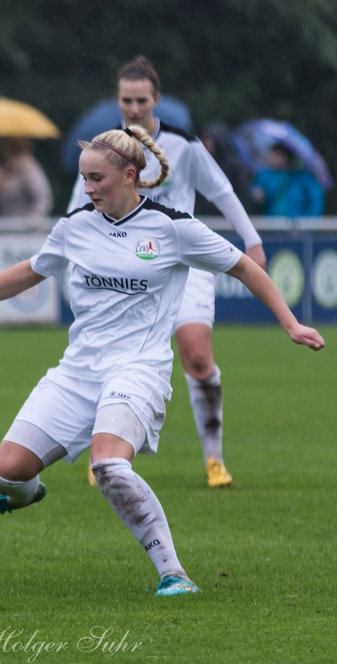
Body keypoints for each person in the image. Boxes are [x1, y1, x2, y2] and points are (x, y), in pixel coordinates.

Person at [0, 126, 324, 596]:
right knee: (4, 472)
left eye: (97, 178)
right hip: (77, 371)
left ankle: (173, 572)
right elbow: (30, 271)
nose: (89, 188)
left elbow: (243, 266)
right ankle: (24, 493)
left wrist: (291, 323)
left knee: (110, 467)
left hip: (138, 370)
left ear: (130, 175)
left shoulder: (172, 227)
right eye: (84, 178)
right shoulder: (75, 226)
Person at [70, 56, 268, 489]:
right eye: (126, 100)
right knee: (108, 359)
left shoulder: (183, 146)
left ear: (156, 99)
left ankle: (214, 460)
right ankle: (103, 450)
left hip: (184, 265)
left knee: (197, 356)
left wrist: (251, 241)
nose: (134, 108)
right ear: (117, 100)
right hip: (125, 271)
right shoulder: (104, 151)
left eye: (141, 100)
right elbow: (76, 210)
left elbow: (223, 192)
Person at [251, 142, 324, 217]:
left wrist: (306, 225)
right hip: (270, 224)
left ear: (286, 157)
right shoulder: (264, 175)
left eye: (277, 154)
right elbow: (258, 202)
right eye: (272, 154)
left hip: (297, 225)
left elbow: (315, 204)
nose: (271, 157)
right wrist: (260, 199)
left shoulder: (304, 177)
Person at [0, 137, 53, 220]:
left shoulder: (29, 169)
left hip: (23, 229)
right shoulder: (3, 170)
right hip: (4, 227)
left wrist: (35, 218)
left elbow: (43, 198)